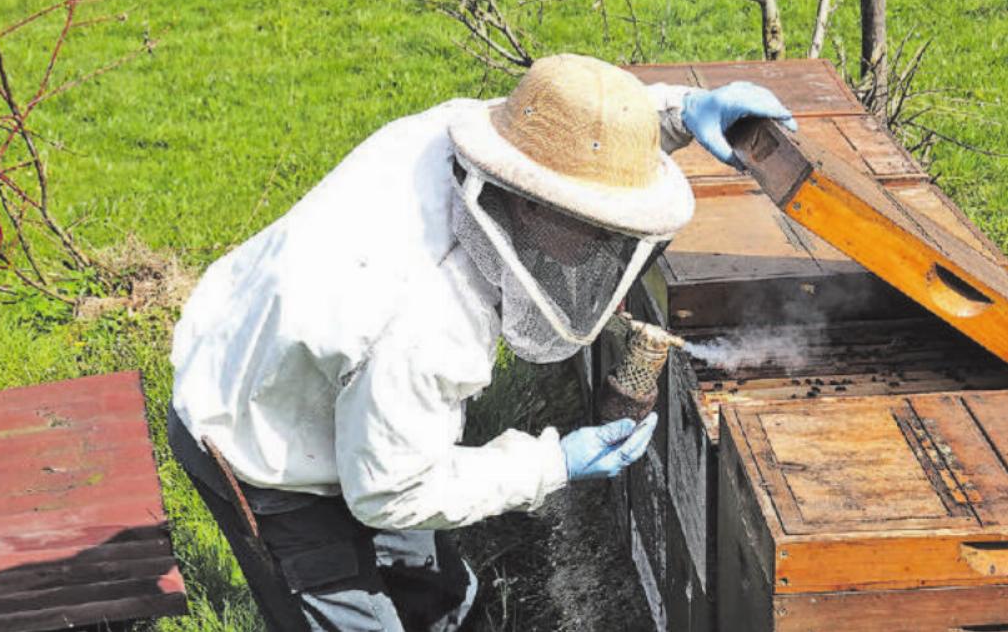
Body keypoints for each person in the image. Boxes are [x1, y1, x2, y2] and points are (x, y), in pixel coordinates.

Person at [168, 53, 797, 631]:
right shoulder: (423, 319)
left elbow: (570, 137)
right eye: (598, 231)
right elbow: (394, 493)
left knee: (438, 597)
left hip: (334, 372)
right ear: (532, 208)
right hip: (256, 436)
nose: (606, 249)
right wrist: (554, 463)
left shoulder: (471, 135)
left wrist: (679, 111)